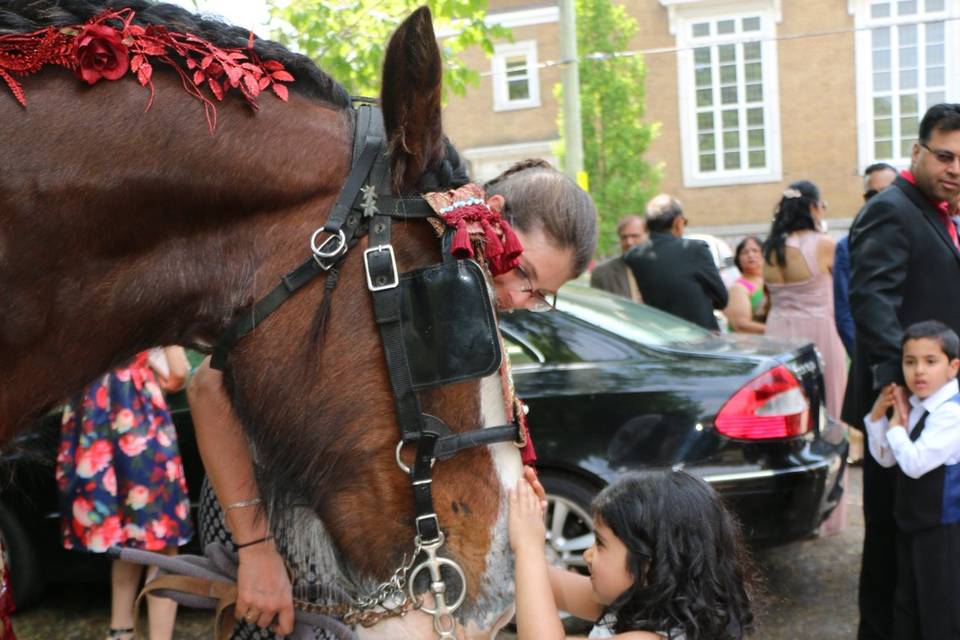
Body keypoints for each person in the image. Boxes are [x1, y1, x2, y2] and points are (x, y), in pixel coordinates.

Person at [186, 158, 599, 637]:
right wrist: (255, 549)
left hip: (347, 550)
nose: (520, 297)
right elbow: (210, 388)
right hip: (263, 517)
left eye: (540, 294)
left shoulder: (466, 312)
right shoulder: (383, 275)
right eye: (523, 272)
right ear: (493, 215)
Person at [843, 103, 960, 640]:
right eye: (945, 156)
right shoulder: (893, 209)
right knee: (893, 538)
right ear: (917, 152)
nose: (955, 168)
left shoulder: (937, 211)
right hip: (904, 401)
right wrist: (902, 397)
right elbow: (873, 306)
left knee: (928, 536)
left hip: (932, 397)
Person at [508, 468, 754, 639]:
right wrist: (528, 526)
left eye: (600, 543)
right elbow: (546, 584)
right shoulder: (638, 607)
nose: (587, 555)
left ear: (649, 564)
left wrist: (528, 546)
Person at [56, 347, 193, 640]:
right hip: (140, 420)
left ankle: (120, 633)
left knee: (124, 541)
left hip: (95, 419)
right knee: (162, 546)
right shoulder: (153, 300)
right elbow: (179, 371)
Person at [863, 321, 960, 638]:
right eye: (910, 361)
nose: (919, 371)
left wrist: (895, 427)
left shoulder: (951, 414)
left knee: (939, 610)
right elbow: (888, 458)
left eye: (931, 361)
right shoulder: (916, 405)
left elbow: (916, 463)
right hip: (910, 524)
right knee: (907, 602)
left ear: (953, 366)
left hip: (941, 531)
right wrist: (878, 418)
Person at [763, 181, 847, 421]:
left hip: (777, 330)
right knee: (827, 397)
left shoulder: (771, 247)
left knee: (784, 400)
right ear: (813, 207)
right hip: (818, 330)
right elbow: (846, 290)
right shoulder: (823, 244)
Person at [625, 195, 728, 330]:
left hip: (660, 336)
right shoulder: (695, 250)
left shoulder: (633, 257)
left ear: (645, 226)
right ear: (678, 222)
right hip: (699, 337)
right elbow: (722, 299)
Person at [835, 162, 898, 357]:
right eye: (872, 195)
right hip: (872, 355)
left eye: (888, 191)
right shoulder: (847, 247)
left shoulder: (920, 232)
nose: (880, 199)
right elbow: (844, 311)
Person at [590, 215, 648, 302]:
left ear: (648, 236)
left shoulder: (663, 269)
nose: (629, 242)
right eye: (624, 237)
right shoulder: (602, 274)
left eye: (635, 236)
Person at [723, 236, 766, 334]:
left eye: (755, 250)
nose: (750, 255)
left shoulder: (769, 281)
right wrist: (778, 330)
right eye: (744, 252)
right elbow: (741, 325)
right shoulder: (738, 288)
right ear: (738, 259)